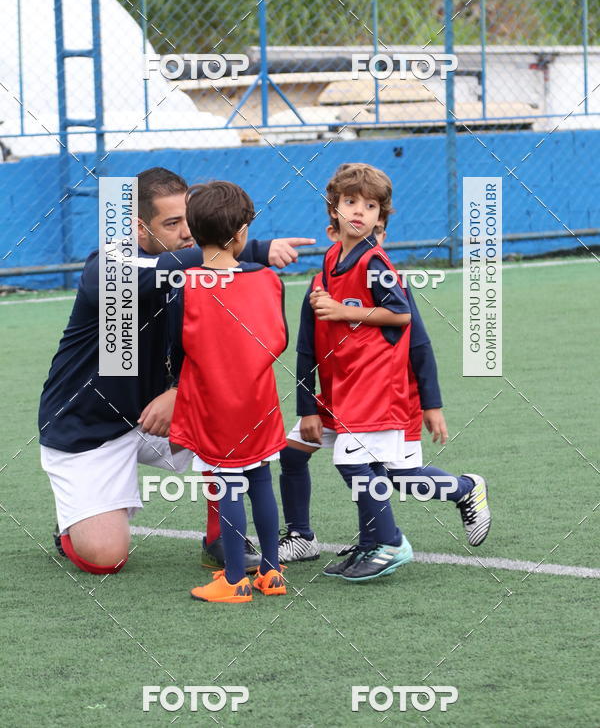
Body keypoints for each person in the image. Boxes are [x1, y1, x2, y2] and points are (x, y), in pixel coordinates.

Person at [39, 166, 312, 575]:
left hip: (158, 416)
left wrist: (181, 391)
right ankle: (71, 526)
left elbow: (223, 354)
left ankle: (221, 541)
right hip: (88, 429)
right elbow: (145, 276)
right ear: (138, 227)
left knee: (232, 409)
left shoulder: (201, 275)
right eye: (172, 223)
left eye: (190, 219)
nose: (188, 232)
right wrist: (250, 248)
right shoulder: (108, 267)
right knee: (105, 558)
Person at [279, 162, 491, 580]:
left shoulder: (379, 268)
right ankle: (306, 536)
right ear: (333, 217)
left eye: (370, 206)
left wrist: (431, 403)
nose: (359, 211)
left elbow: (411, 329)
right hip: (339, 391)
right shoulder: (323, 271)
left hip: (378, 391)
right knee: (302, 456)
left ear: (381, 219)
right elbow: (307, 345)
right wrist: (307, 405)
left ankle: (387, 541)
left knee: (370, 469)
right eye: (350, 202)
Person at [169, 181, 287, 603]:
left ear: (193, 232)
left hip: (215, 404)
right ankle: (271, 573)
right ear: (241, 233)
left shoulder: (185, 284)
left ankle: (234, 579)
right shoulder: (268, 280)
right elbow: (279, 338)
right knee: (260, 480)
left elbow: (176, 347)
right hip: (260, 400)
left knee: (227, 484)